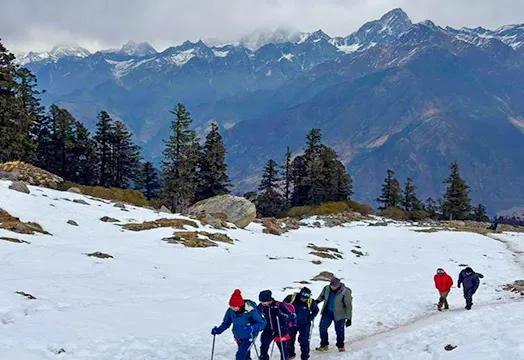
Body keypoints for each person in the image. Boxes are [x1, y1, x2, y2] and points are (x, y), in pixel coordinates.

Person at [211, 289, 266, 360]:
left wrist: (252, 328)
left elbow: (262, 324)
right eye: (231, 306)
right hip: (238, 336)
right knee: (245, 355)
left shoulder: (251, 311)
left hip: (249, 336)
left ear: (240, 305)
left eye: (234, 306)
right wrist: (218, 330)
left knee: (240, 355)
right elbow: (226, 323)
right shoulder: (231, 311)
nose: (232, 308)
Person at [315, 277, 353, 352]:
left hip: (340, 314)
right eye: (332, 285)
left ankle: (340, 346)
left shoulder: (345, 291)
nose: (333, 287)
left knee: (339, 330)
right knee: (322, 327)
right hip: (328, 312)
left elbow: (348, 305)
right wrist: (316, 302)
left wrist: (349, 318)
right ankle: (324, 345)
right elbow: (321, 297)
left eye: (335, 286)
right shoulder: (326, 288)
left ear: (339, 285)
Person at [284, 287, 319, 360]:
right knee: (289, 339)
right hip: (291, 323)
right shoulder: (291, 298)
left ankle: (305, 357)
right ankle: (290, 354)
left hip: (304, 324)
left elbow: (316, 310)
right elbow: (283, 307)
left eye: (306, 297)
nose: (304, 299)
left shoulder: (310, 301)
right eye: (303, 297)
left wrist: (310, 318)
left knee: (304, 341)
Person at [258, 289, 293, 360]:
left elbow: (290, 315)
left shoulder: (279, 305)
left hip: (280, 330)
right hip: (268, 329)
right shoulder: (261, 306)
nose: (263, 303)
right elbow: (256, 313)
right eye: (261, 301)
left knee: (283, 349)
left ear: (269, 299)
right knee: (264, 346)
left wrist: (283, 316)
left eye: (264, 301)